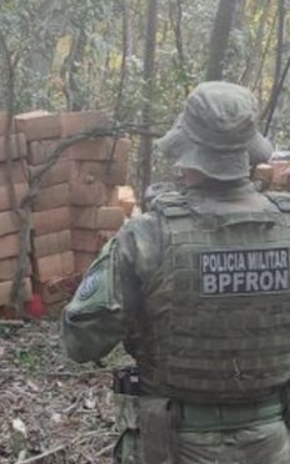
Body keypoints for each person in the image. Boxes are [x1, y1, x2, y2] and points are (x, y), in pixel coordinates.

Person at [61, 81, 290, 464]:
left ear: (188, 153)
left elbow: (81, 341)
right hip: (272, 442)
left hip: (173, 444)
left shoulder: (146, 236)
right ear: (248, 151)